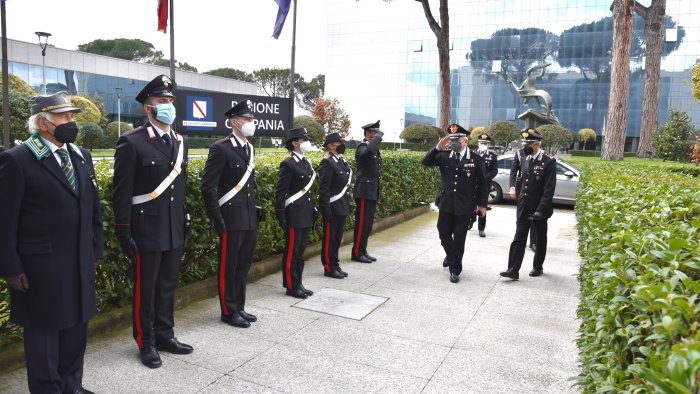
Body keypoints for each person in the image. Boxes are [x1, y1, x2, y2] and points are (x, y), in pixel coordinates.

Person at [0, 92, 104, 393]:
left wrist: (95, 247)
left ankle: (71, 386)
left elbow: (93, 208)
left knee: (75, 331)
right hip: (39, 267)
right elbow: (4, 221)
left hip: (78, 261)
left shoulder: (80, 155)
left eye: (72, 115)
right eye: (64, 116)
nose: (71, 121)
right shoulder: (17, 160)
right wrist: (10, 267)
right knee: (44, 338)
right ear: (43, 123)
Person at [112, 75, 192, 369]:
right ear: (148, 108)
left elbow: (179, 186)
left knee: (167, 285)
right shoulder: (131, 142)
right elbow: (121, 192)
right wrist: (124, 230)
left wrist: (183, 216)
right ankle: (146, 342)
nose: (168, 106)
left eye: (170, 101)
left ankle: (165, 334)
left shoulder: (179, 141)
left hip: (172, 228)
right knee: (146, 289)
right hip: (145, 229)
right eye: (162, 102)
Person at [201, 100, 261, 329]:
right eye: (247, 120)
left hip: (248, 217)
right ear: (234, 122)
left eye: (251, 120)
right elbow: (208, 186)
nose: (250, 123)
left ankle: (240, 307)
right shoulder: (221, 147)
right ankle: (228, 310)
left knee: (243, 265)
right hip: (230, 217)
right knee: (229, 265)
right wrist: (217, 216)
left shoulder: (250, 147)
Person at [422, 124, 488, 283]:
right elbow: (426, 162)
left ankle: (455, 269)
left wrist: (482, 205)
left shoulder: (475, 158)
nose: (452, 142)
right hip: (446, 204)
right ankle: (452, 256)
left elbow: (482, 184)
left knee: (459, 239)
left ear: (464, 141)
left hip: (465, 206)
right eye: (451, 139)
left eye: (456, 139)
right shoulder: (444, 155)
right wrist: (438, 147)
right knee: (443, 234)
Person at [500, 128, 556, 280]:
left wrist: (540, 209)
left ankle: (538, 266)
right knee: (519, 237)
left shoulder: (548, 161)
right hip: (524, 205)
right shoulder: (524, 157)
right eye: (524, 143)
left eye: (528, 144)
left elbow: (548, 189)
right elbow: (520, 179)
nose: (525, 146)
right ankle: (513, 269)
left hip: (540, 207)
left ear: (537, 144)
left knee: (539, 238)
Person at [275, 128, 317, 299]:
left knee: (300, 251)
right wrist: (281, 214)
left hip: (305, 213)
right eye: (304, 139)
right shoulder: (289, 163)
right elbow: (280, 192)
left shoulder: (306, 162)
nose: (307, 142)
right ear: (295, 143)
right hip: (294, 214)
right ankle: (291, 286)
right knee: (292, 251)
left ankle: (298, 282)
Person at [318, 132, 352, 279]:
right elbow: (324, 188)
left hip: (341, 205)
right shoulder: (327, 162)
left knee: (337, 238)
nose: (341, 145)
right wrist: (325, 209)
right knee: (330, 239)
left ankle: (335, 263)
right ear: (331, 146)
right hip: (332, 206)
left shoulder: (341, 161)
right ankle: (328, 266)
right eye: (338, 143)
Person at [351, 120, 383, 264]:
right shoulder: (362, 147)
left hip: (371, 190)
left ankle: (363, 250)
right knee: (362, 223)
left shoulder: (373, 148)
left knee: (368, 224)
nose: (375, 136)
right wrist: (376, 138)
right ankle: (356, 252)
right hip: (364, 191)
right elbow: (367, 152)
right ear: (366, 134)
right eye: (373, 133)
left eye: (376, 133)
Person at [476, 133, 498, 238]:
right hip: (472, 184)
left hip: (485, 185)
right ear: (478, 143)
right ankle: (470, 220)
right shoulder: (473, 153)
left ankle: (481, 229)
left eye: (485, 143)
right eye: (481, 142)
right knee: (469, 204)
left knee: (482, 206)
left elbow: (494, 170)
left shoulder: (493, 156)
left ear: (488, 144)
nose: (483, 144)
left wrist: (485, 177)